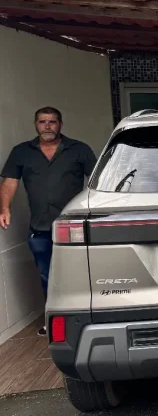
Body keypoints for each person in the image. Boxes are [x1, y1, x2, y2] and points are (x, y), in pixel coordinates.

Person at [0, 107, 97, 336]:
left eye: (52, 122)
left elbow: (96, 182)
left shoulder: (79, 150)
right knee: (47, 275)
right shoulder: (22, 152)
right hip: (40, 228)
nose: (47, 126)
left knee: (78, 274)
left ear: (60, 124)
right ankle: (53, 320)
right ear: (35, 124)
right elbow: (10, 181)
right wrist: (4, 208)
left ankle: (82, 319)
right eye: (42, 122)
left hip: (73, 227)